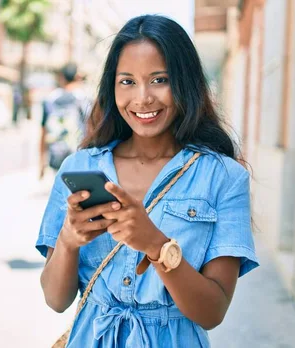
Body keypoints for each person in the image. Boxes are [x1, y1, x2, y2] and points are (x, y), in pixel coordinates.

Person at [36, 15, 259, 348]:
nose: (142, 98)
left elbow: (212, 311)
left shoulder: (223, 176)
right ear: (112, 87)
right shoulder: (80, 166)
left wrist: (155, 245)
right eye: (127, 81)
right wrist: (69, 240)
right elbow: (56, 300)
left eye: (159, 79)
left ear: (185, 83)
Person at [39, 62, 91, 179]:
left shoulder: (50, 99)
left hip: (56, 156)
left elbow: (43, 131)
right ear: (77, 77)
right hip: (78, 156)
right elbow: (91, 128)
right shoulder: (83, 99)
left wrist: (42, 162)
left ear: (62, 77)